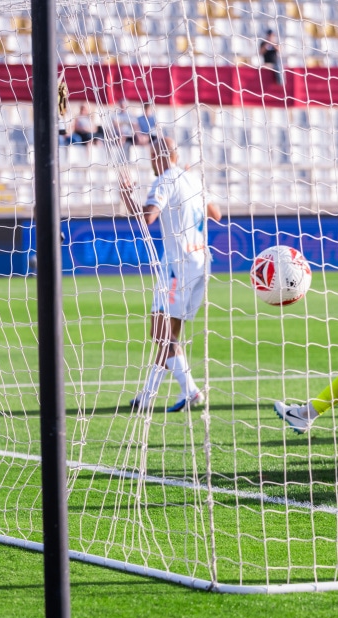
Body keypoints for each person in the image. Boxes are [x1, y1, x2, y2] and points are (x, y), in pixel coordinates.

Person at [120, 135, 222, 412]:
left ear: (163, 156)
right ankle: (148, 395)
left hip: (178, 265)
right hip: (202, 261)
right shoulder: (193, 178)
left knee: (160, 331)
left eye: (153, 156)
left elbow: (147, 218)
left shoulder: (165, 179)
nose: (151, 162)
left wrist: (127, 197)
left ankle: (191, 392)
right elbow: (217, 213)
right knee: (169, 334)